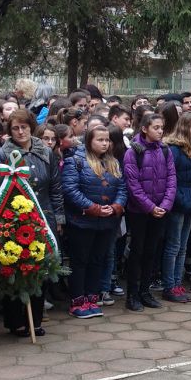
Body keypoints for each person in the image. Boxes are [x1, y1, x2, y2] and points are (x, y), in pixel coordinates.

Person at [0, 110, 64, 332]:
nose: (21, 132)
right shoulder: (1, 155)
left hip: (43, 215)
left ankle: (36, 321)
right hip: (14, 219)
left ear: (32, 127)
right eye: (15, 128)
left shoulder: (46, 152)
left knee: (40, 267)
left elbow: (55, 187)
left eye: (24, 127)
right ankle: (15, 321)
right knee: (16, 266)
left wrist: (58, 218)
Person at [61, 124, 126, 319]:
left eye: (107, 140)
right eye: (100, 139)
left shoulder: (113, 162)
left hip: (107, 222)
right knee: (80, 260)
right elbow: (70, 189)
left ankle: (91, 298)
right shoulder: (75, 160)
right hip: (82, 221)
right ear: (89, 141)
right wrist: (93, 208)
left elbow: (122, 188)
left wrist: (115, 207)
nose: (105, 143)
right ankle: (77, 301)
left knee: (98, 260)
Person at [122, 112, 175, 311]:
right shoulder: (133, 152)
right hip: (139, 212)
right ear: (144, 129)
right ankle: (132, 294)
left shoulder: (165, 150)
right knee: (137, 251)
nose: (160, 131)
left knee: (151, 251)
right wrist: (150, 207)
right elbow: (133, 185)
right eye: (156, 128)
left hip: (160, 210)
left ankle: (145, 292)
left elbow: (171, 179)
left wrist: (165, 205)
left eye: (162, 128)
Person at [163, 113, 191, 300]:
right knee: (174, 245)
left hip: (190, 199)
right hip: (178, 201)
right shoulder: (174, 150)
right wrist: (180, 199)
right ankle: (169, 286)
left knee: (183, 246)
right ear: (187, 126)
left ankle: (177, 283)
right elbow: (171, 178)